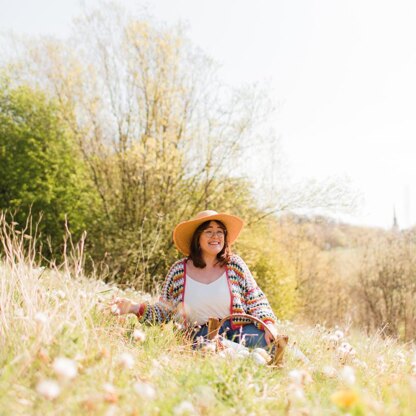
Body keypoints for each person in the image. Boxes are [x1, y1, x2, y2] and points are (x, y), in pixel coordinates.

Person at [110, 210, 278, 349]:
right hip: (200, 336)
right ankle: (242, 356)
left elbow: (256, 300)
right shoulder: (178, 271)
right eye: (209, 231)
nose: (216, 236)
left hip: (240, 331)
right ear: (197, 237)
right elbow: (163, 312)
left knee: (276, 346)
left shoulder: (235, 265)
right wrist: (133, 307)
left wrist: (268, 324)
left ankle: (250, 356)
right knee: (215, 350)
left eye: (220, 231)